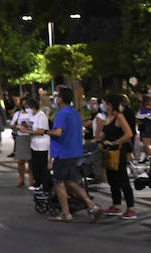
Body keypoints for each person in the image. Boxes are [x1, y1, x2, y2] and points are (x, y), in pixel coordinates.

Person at [45, 86, 105, 222]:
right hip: (75, 152)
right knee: (72, 182)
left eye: (57, 96)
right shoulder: (74, 113)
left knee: (59, 183)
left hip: (63, 153)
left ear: (61, 98)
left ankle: (66, 213)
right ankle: (92, 206)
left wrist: (45, 131)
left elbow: (58, 133)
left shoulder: (62, 113)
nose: (55, 98)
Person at [97, 93, 136, 218]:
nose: (104, 106)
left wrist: (115, 142)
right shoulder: (109, 117)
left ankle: (131, 208)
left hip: (118, 151)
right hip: (108, 152)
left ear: (111, 105)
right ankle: (116, 205)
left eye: (106, 103)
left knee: (122, 179)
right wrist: (98, 141)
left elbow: (129, 133)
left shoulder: (119, 117)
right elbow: (105, 133)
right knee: (112, 179)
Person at [22, 97, 51, 194]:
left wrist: (27, 131)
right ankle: (37, 183)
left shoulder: (41, 116)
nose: (26, 110)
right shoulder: (33, 116)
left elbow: (41, 131)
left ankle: (45, 185)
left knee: (42, 166)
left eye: (27, 107)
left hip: (42, 145)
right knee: (35, 165)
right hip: (34, 144)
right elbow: (32, 127)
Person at [10, 100, 35, 188]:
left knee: (31, 161)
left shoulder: (33, 113)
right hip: (21, 137)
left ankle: (31, 181)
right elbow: (12, 125)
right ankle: (21, 179)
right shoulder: (18, 114)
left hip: (31, 136)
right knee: (21, 160)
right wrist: (18, 126)